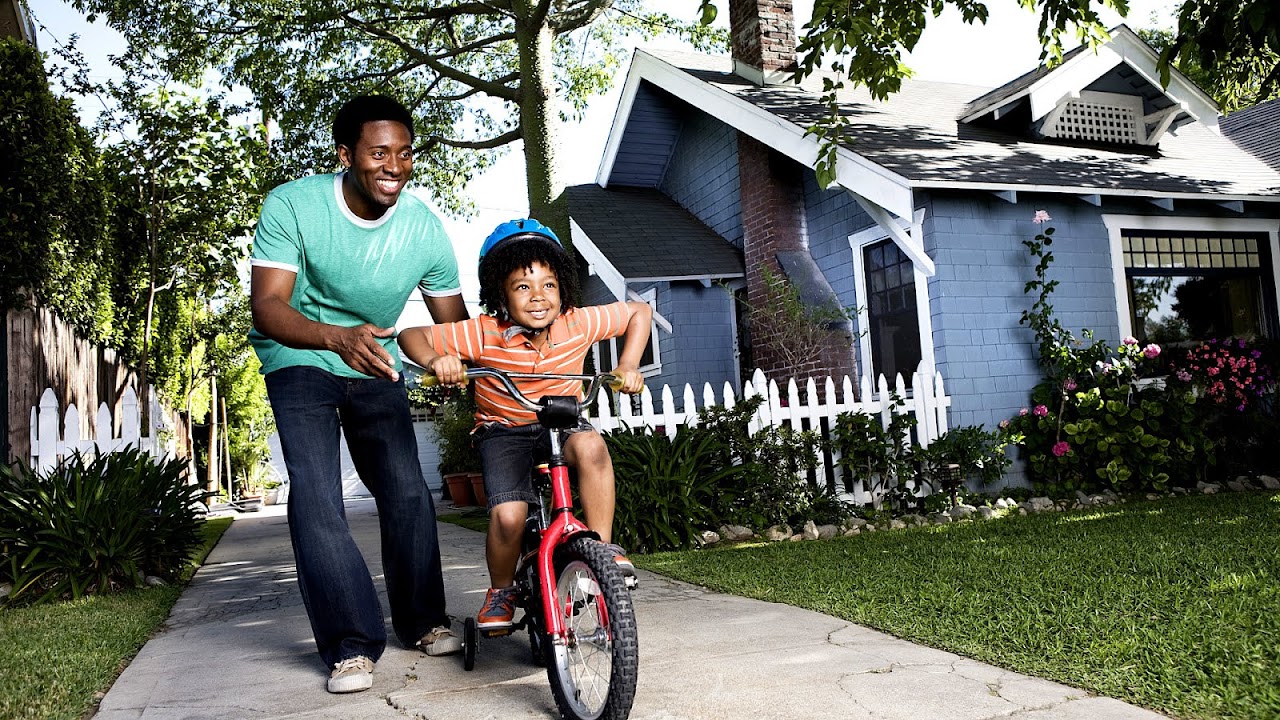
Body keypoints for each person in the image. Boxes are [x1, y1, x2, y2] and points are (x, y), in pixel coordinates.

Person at [248, 94, 467, 695]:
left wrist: (454, 355)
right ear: (346, 155)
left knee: (405, 490)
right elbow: (267, 308)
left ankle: (422, 619)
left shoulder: (422, 228)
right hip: (298, 356)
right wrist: (333, 338)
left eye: (404, 153)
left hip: (374, 361)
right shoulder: (293, 205)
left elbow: (452, 323)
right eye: (378, 153)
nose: (393, 165)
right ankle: (351, 645)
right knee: (317, 498)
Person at [399, 218, 651, 631]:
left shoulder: (577, 322)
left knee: (591, 448)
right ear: (501, 292)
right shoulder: (483, 333)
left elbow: (639, 312)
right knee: (510, 516)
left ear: (563, 287)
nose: (538, 297)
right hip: (504, 431)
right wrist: (436, 359)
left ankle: (601, 551)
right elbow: (411, 335)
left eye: (548, 285)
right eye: (522, 286)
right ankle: (500, 589)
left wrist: (627, 364)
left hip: (562, 421)